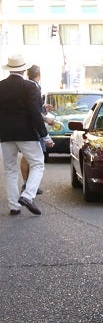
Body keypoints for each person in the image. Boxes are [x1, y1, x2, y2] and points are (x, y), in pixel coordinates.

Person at [0, 54, 48, 215]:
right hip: (27, 133)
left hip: (5, 134)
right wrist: (45, 135)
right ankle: (28, 195)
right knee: (38, 163)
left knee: (10, 169)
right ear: (23, 69)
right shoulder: (29, 87)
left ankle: (14, 206)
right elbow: (35, 112)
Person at [20, 65, 54, 192]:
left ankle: (28, 184)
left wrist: (44, 107)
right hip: (32, 126)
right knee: (33, 159)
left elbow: (33, 106)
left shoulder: (28, 85)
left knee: (29, 157)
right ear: (38, 74)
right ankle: (28, 186)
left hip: (30, 126)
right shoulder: (32, 86)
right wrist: (46, 119)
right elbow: (32, 110)